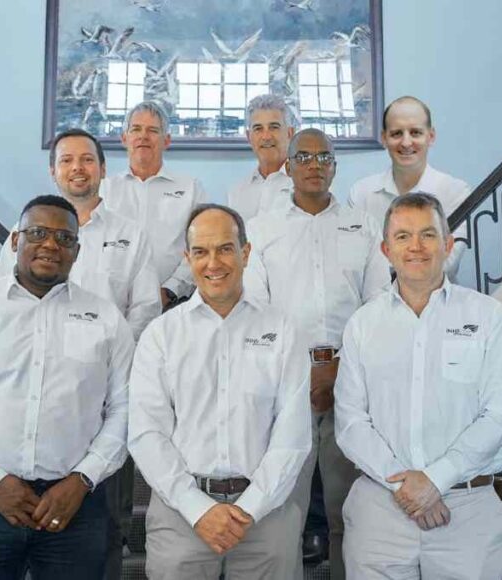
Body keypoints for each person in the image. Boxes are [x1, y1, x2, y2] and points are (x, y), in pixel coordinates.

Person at [0, 195, 134, 579]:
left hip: (75, 508)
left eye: (64, 238)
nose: (50, 244)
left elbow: (126, 408)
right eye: (37, 233)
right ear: (16, 241)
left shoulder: (106, 318)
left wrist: (82, 480)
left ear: (76, 251)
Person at [335, 193, 502, 579]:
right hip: (380, 514)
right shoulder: (362, 325)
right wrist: (408, 488)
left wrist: (436, 480)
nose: (416, 246)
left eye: (428, 235)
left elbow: (501, 417)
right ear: (386, 250)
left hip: (466, 512)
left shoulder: (488, 316)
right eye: (403, 237)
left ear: (448, 245)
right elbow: (351, 423)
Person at [128, 204, 311, 579]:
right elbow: (147, 434)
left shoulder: (283, 331)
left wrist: (250, 508)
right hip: (180, 512)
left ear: (246, 252)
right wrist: (198, 509)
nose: (213, 263)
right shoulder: (161, 335)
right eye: (201, 252)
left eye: (225, 249)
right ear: (187, 258)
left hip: (267, 513)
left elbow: (292, 435)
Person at [244, 128, 390, 579]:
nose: (314, 165)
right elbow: (256, 310)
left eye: (324, 157)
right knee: (283, 511)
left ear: (335, 166)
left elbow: (379, 304)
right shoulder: (262, 229)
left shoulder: (363, 225)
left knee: (352, 509)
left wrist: (339, 368)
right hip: (287, 385)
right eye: (304, 157)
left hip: (354, 382)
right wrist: (302, 372)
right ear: (288, 167)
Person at [0, 128, 160, 341]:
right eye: (66, 160)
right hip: (33, 352)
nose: (77, 167)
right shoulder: (26, 232)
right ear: (53, 172)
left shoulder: (132, 235)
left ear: (103, 169)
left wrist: (118, 351)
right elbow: (4, 297)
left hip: (107, 356)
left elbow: (145, 308)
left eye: (87, 159)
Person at [348, 96, 471, 278]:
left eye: (415, 133)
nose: (406, 143)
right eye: (397, 133)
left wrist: (382, 263)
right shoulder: (361, 193)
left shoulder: (456, 192)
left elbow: (447, 264)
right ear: (384, 138)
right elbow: (357, 261)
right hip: (377, 297)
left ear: (431, 136)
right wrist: (419, 259)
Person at [101, 101, 208, 307]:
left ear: (166, 140)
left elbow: (201, 246)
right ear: (124, 138)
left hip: (173, 304)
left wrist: (171, 290)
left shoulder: (191, 189)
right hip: (111, 304)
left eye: (152, 130)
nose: (143, 136)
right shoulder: (104, 190)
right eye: (136, 129)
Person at [226, 94, 295, 222]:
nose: (266, 136)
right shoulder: (237, 193)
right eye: (258, 129)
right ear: (249, 137)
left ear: (290, 133)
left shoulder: (307, 186)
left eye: (274, 127)